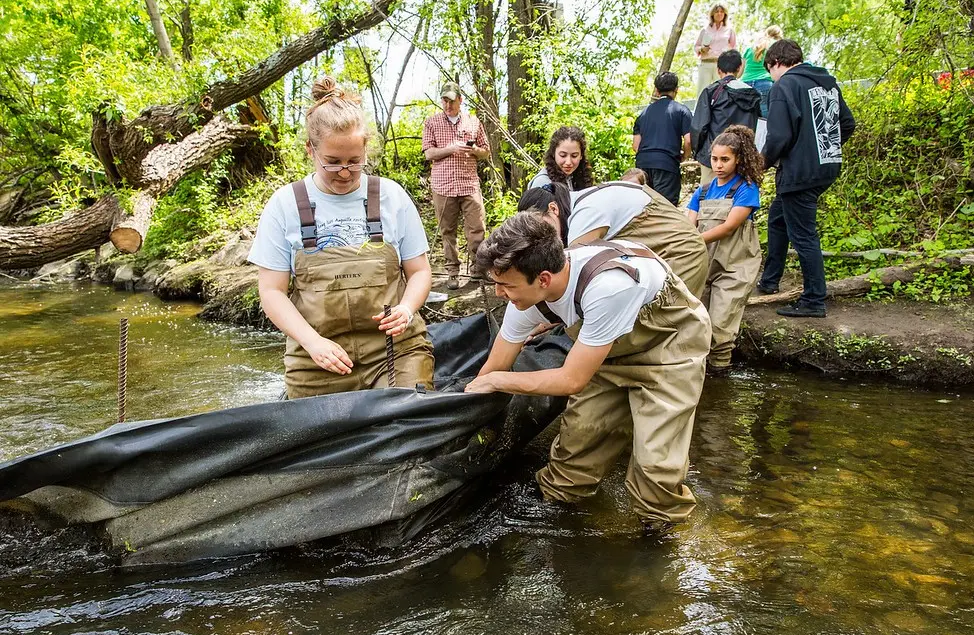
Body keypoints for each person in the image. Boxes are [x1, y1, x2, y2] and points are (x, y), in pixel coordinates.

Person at [465, 213, 711, 529]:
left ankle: (662, 540)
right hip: (607, 355)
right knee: (576, 447)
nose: (499, 293)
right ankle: (554, 513)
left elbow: (571, 379)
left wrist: (501, 381)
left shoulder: (607, 287)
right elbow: (493, 368)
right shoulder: (528, 299)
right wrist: (471, 398)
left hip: (669, 349)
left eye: (505, 285)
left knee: (655, 466)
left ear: (542, 279)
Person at [248, 78, 434, 399]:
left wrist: (406, 309)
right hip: (316, 359)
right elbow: (272, 292)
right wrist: (312, 342)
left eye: (354, 161)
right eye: (332, 162)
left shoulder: (390, 196)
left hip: (394, 351)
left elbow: (419, 271)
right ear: (311, 150)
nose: (346, 172)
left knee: (408, 419)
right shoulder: (285, 204)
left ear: (365, 149)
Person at [758, 39, 856, 318]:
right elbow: (847, 124)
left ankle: (814, 299)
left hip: (799, 171)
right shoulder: (827, 83)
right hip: (826, 166)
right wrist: (824, 148)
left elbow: (778, 136)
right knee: (779, 217)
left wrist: (761, 165)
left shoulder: (784, 86)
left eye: (769, 70)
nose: (771, 76)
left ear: (776, 63)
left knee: (803, 235)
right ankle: (770, 281)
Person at [520, 181, 708, 297]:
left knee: (664, 323)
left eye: (541, 225)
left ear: (553, 209)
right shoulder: (582, 202)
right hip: (664, 250)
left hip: (680, 252)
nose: (541, 235)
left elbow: (571, 277)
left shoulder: (585, 213)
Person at [686, 126, 763, 372]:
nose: (718, 165)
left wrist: (694, 241)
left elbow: (729, 227)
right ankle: (700, 374)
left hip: (736, 266)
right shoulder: (703, 190)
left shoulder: (746, 189)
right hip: (705, 264)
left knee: (720, 326)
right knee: (697, 323)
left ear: (738, 159)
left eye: (725, 159)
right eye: (714, 159)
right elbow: (690, 225)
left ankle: (720, 372)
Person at [422, 81, 491, 290]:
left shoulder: (473, 122)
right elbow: (429, 153)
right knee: (447, 230)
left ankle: (478, 271)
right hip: (443, 185)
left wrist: (474, 150)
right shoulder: (431, 123)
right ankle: (452, 271)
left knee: (477, 228)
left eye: (452, 100)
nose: (448, 104)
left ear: (460, 100)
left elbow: (486, 151)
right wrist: (451, 148)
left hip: (469, 184)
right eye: (444, 100)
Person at [691, 50, 762, 187]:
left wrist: (698, 152)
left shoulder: (711, 91)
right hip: (742, 159)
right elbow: (759, 128)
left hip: (714, 158)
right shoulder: (753, 94)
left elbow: (698, 127)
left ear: (718, 70)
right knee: (740, 201)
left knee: (709, 201)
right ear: (740, 67)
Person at [631, 71, 692, 205]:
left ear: (657, 91)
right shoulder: (682, 111)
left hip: (643, 164)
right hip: (667, 164)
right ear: (676, 90)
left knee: (644, 207)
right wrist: (684, 156)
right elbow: (688, 140)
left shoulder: (643, 114)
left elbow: (636, 146)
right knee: (666, 208)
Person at [528, 126, 594, 192]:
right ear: (553, 153)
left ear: (581, 156)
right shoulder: (542, 182)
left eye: (574, 156)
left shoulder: (577, 178)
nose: (568, 162)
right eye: (563, 155)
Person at [741, 25, 784, 117]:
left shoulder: (751, 48)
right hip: (764, 83)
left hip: (745, 83)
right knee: (764, 116)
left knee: (745, 117)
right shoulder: (777, 47)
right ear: (779, 36)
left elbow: (741, 71)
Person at [694, 4, 737, 91]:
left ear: (725, 14)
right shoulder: (705, 29)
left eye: (722, 12)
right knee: (702, 90)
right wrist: (701, 49)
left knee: (721, 91)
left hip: (721, 65)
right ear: (712, 14)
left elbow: (734, 48)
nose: (719, 14)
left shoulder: (729, 30)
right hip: (706, 63)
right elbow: (696, 46)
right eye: (717, 11)